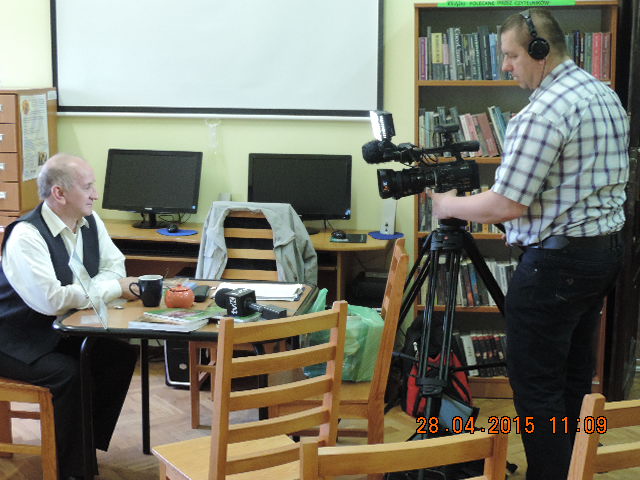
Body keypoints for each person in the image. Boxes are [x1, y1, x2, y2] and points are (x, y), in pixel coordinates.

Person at [427, 9, 629, 480]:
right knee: (573, 378)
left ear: (540, 51)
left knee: (537, 385)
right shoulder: (603, 94)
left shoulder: (543, 112)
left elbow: (505, 204)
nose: (505, 66)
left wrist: (447, 204)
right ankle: (576, 468)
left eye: (511, 55)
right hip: (601, 256)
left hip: (556, 267)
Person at [0, 153, 140, 479]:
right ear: (59, 193)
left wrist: (97, 287)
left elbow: (115, 267)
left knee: (117, 355)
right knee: (68, 373)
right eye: (87, 187)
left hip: (55, 331)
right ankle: (71, 470)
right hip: (12, 339)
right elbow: (52, 301)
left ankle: (84, 448)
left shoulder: (90, 220)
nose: (95, 195)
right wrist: (111, 288)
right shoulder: (26, 236)